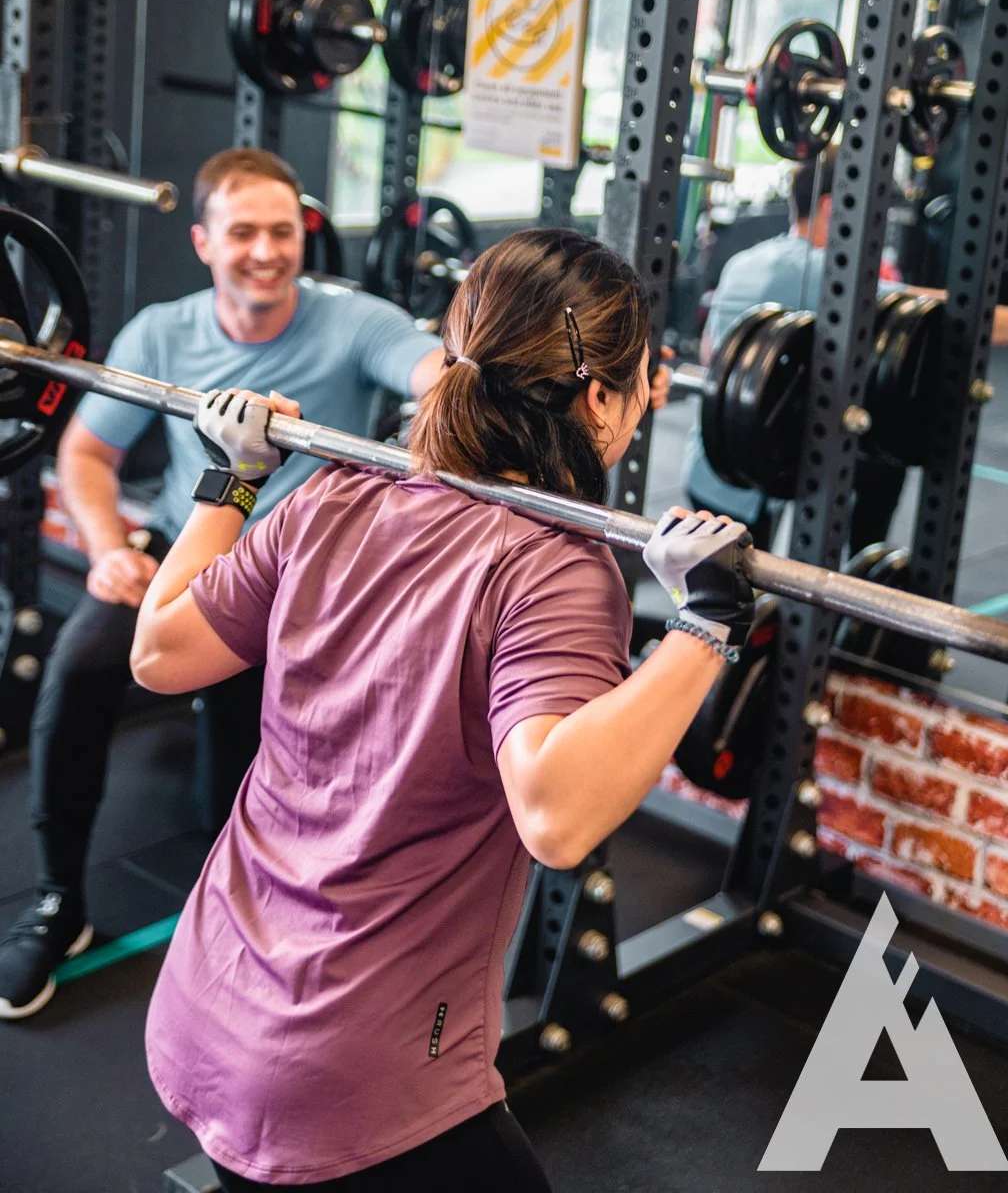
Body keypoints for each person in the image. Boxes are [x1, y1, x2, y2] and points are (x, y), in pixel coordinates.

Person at [127, 227, 755, 1191]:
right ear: (599, 398)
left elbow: (161, 651)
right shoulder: (553, 566)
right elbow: (556, 816)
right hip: (354, 1068)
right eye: (639, 384)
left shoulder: (335, 492)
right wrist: (704, 626)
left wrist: (231, 479)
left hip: (208, 1001)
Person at [0, 147, 448, 1022]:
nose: (266, 251)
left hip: (305, 573)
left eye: (283, 231)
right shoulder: (162, 333)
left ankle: (236, 920)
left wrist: (481, 386)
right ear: (204, 242)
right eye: (243, 233)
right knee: (79, 669)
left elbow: (439, 377)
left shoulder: (357, 321)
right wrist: (108, 548)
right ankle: (58, 902)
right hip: (188, 547)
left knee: (240, 761)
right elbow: (85, 452)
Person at [688, 146, 1008, 551]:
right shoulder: (823, 274)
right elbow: (941, 315)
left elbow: (709, 354)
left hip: (707, 466)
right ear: (831, 207)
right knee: (881, 466)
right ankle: (862, 566)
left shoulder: (745, 260)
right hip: (751, 478)